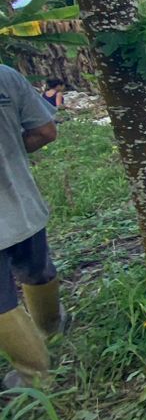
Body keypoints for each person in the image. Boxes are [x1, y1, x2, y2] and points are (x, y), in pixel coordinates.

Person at [0, 64, 63, 388]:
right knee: (37, 272)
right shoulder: (6, 76)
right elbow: (45, 131)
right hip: (21, 202)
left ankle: (34, 375)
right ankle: (51, 330)